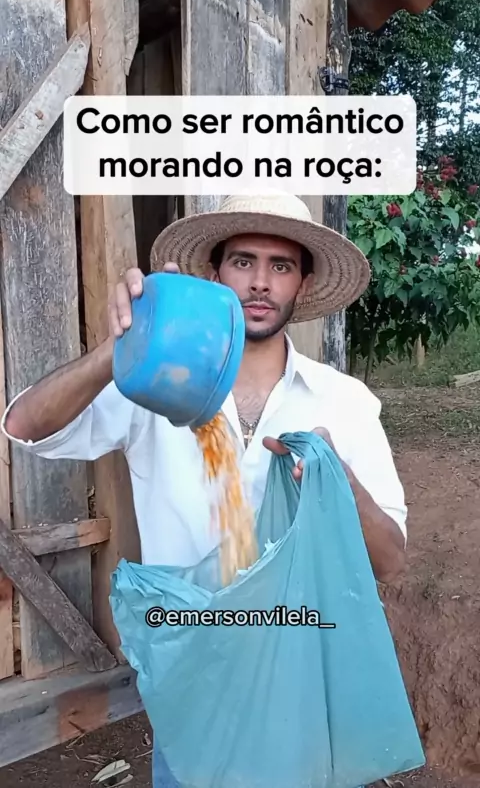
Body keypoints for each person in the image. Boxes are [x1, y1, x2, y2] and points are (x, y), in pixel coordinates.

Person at [1, 191, 407, 788]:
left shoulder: (343, 403)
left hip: (298, 665)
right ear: (215, 276)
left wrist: (337, 481)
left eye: (281, 265)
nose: (260, 282)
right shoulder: (156, 384)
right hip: (192, 674)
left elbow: (391, 560)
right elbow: (24, 427)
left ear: (303, 284)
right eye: (243, 261)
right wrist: (118, 351)